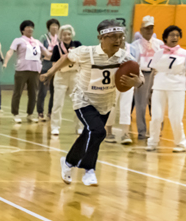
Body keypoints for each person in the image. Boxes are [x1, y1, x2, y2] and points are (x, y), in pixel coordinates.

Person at [42, 19, 139, 185]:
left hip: (106, 102)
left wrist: (137, 82)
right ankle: (89, 170)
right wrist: (50, 72)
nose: (117, 40)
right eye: (112, 36)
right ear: (100, 37)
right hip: (84, 100)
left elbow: (138, 75)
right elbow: (66, 57)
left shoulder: (123, 56)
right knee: (98, 131)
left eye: (120, 36)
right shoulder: (86, 52)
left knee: (90, 133)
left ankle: (68, 162)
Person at [146, 25, 186, 152]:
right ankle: (153, 142)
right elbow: (153, 72)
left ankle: (180, 143)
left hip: (177, 88)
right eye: (172, 35)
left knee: (175, 117)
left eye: (177, 35)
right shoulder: (158, 53)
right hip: (159, 87)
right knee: (156, 117)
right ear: (165, 37)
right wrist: (149, 90)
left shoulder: (185, 54)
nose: (175, 37)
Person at [124, 15, 162, 142]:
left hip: (157, 74)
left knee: (157, 103)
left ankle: (157, 130)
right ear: (141, 30)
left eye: (151, 28)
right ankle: (142, 131)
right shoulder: (135, 45)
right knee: (141, 104)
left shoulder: (159, 44)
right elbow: (134, 62)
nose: (149, 31)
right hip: (142, 74)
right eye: (146, 28)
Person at [3, 20, 50, 123]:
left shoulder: (37, 42)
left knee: (33, 93)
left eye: (31, 27)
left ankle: (30, 114)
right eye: (27, 27)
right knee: (17, 92)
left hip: (35, 70)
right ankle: (15, 113)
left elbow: (47, 53)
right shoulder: (18, 40)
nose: (30, 29)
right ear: (22, 30)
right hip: (22, 70)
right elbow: (11, 51)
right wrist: (5, 62)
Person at [48, 24, 81, 135]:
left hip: (75, 76)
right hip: (61, 76)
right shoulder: (57, 47)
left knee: (78, 102)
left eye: (69, 34)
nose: (66, 36)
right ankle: (55, 127)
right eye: (64, 34)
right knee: (57, 103)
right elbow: (54, 64)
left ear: (72, 34)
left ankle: (79, 127)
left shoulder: (78, 45)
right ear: (60, 36)